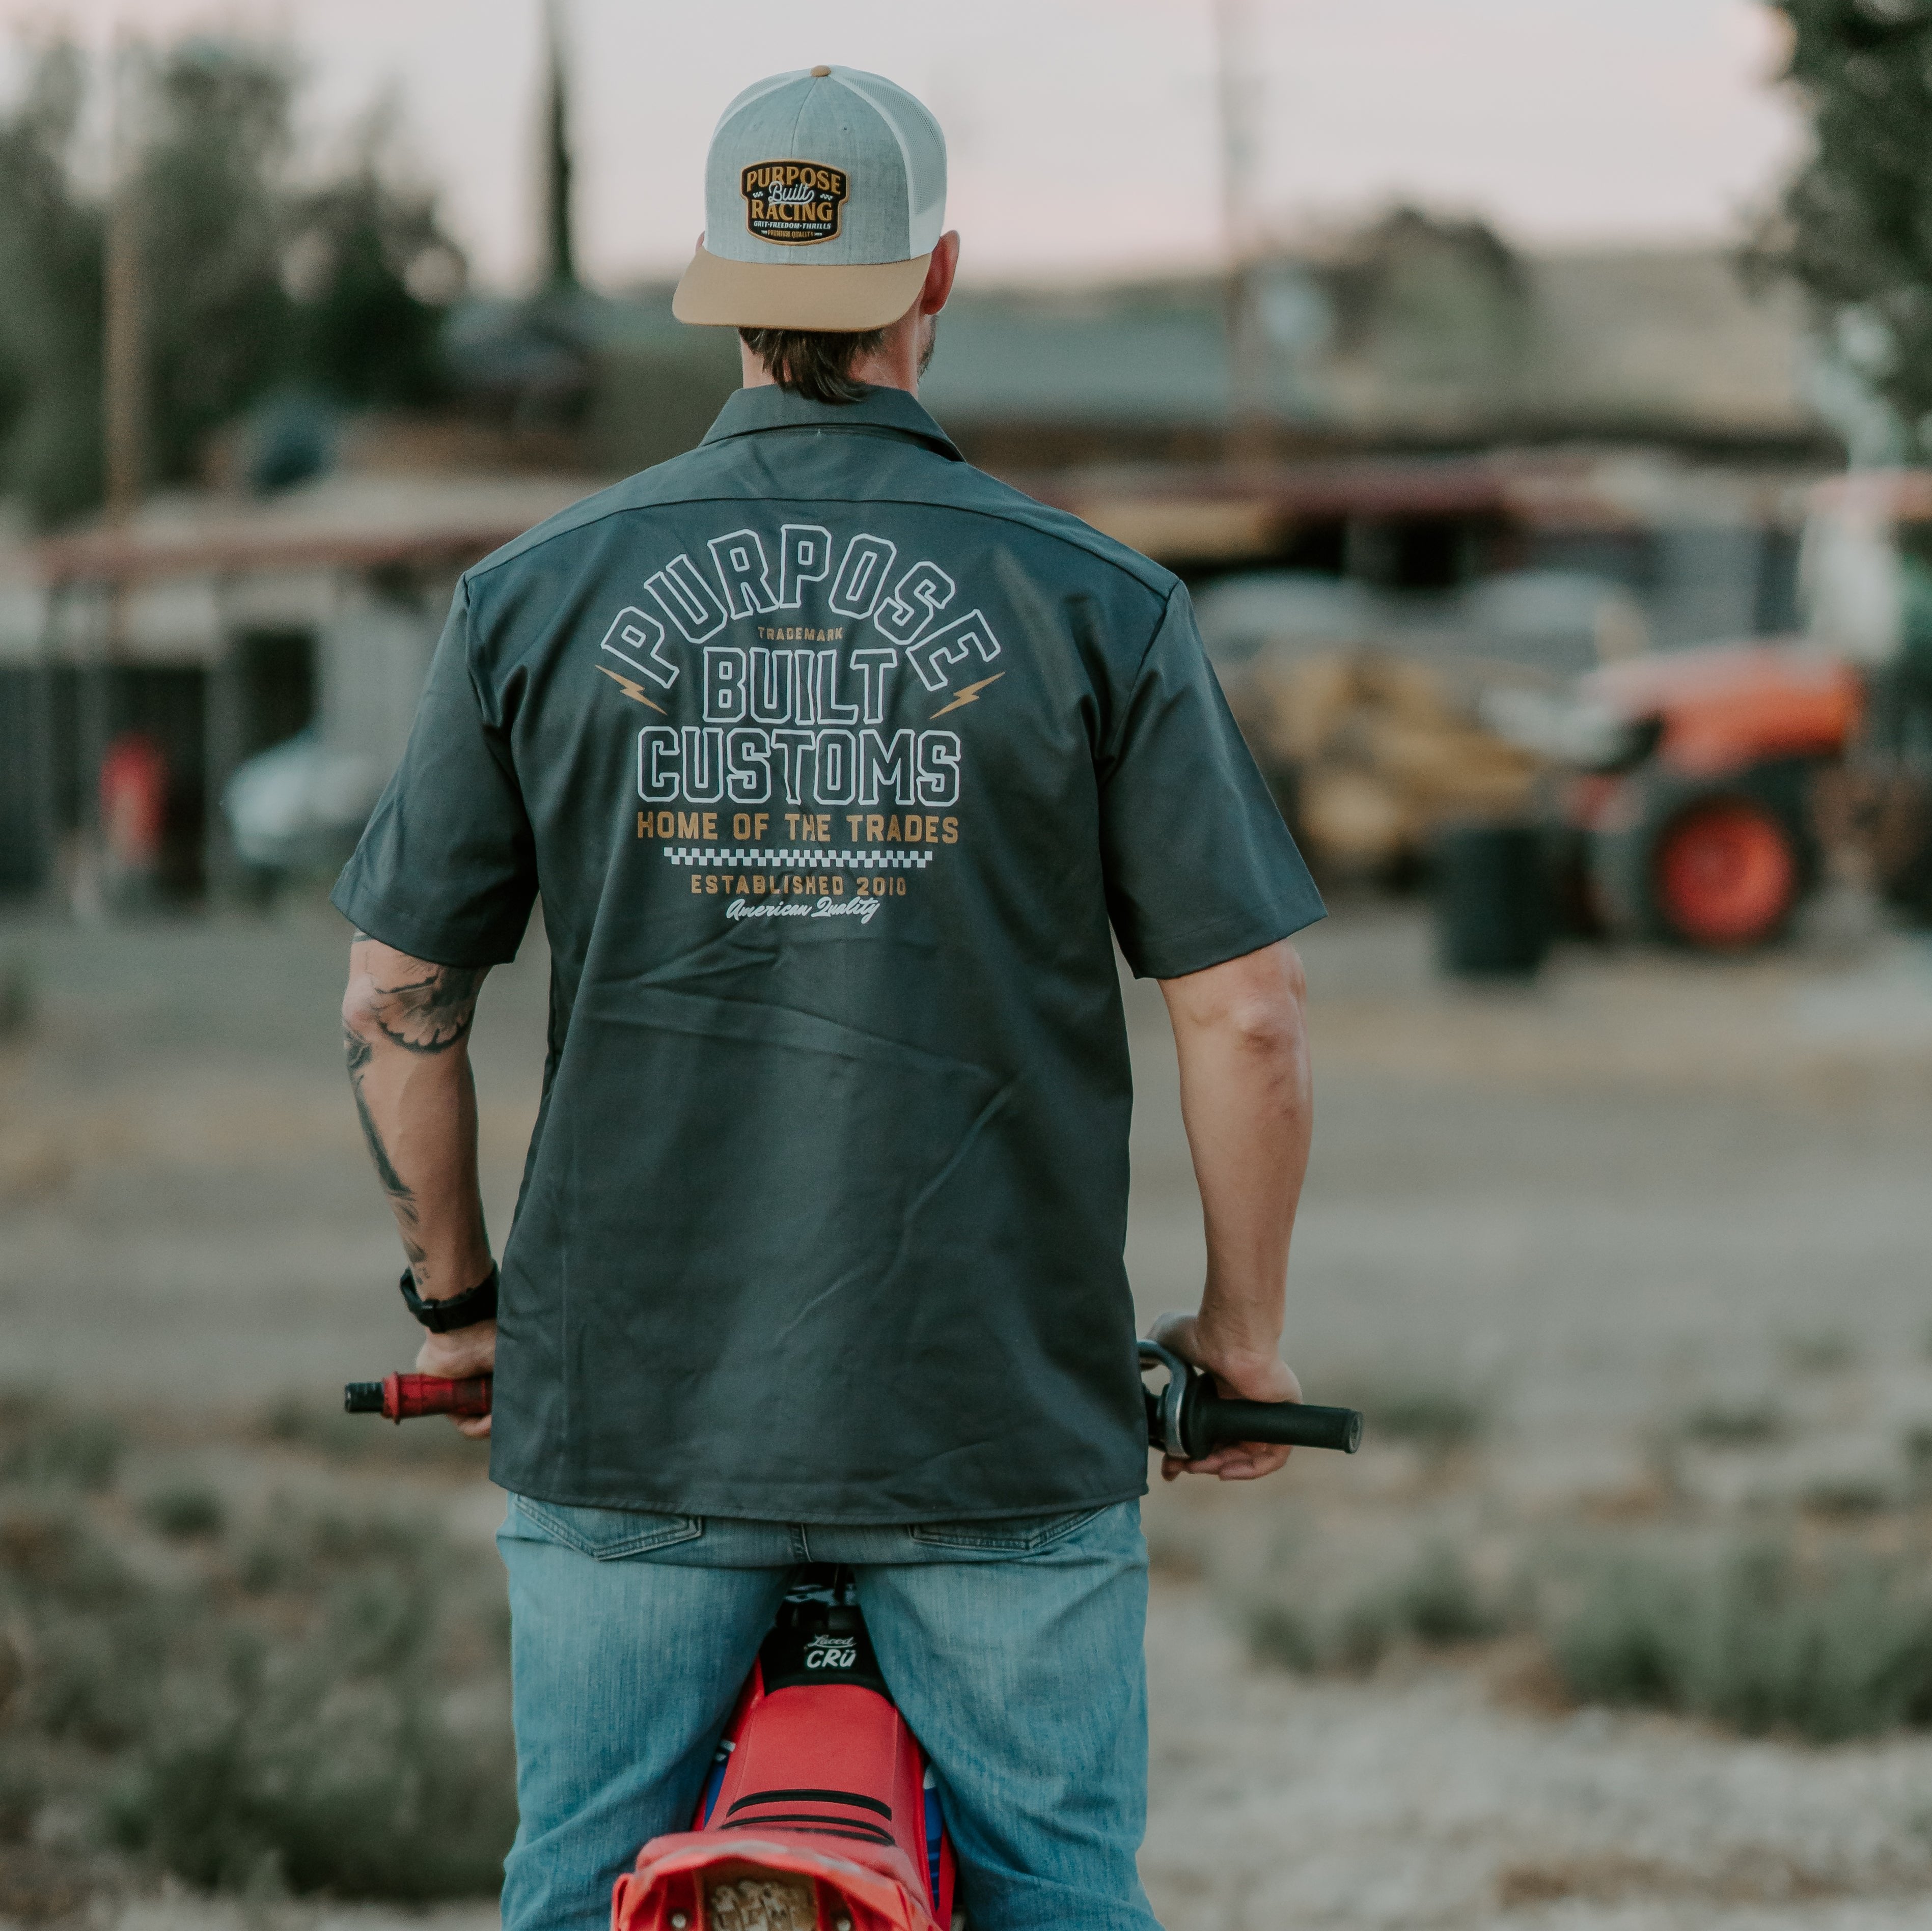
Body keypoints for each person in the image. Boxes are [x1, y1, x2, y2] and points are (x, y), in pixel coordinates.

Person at [333, 64, 1323, 1931]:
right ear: (934, 272)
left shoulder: (529, 598)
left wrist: (464, 1307)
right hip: (999, 1428)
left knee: (572, 1890)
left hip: (627, 1410)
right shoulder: (1096, 604)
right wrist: (1243, 1339)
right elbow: (1248, 1010)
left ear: (717, 284)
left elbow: (398, 990)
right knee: (1059, 1895)